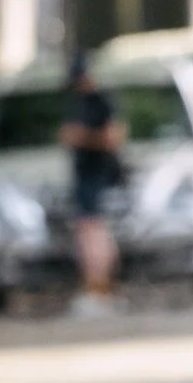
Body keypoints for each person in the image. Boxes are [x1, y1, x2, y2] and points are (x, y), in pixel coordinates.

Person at [60, 52, 125, 316]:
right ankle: (94, 286)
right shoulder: (78, 102)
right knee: (86, 231)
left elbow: (113, 136)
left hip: (98, 174)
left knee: (94, 230)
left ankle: (101, 286)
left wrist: (82, 138)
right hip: (83, 175)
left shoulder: (102, 101)